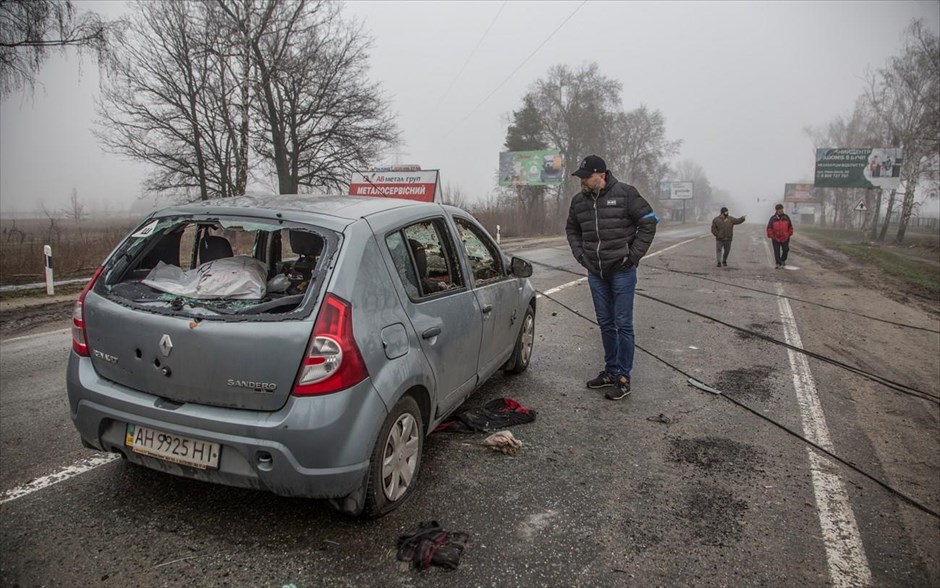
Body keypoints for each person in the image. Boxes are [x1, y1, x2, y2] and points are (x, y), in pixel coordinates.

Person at [565, 155, 658, 400]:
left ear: (602, 175)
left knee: (622, 323)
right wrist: (580, 255)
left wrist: (633, 255)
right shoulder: (579, 202)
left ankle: (624, 377)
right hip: (596, 271)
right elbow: (572, 229)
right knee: (605, 323)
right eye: (580, 177)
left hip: (622, 270)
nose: (582, 181)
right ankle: (610, 370)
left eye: (586, 177)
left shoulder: (626, 194)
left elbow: (649, 222)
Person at [766, 204, 794, 268]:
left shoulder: (786, 217)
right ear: (776, 210)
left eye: (781, 209)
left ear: (782, 209)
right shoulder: (773, 218)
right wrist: (772, 235)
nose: (780, 211)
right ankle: (778, 263)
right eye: (778, 209)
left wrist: (789, 233)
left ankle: (782, 260)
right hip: (776, 238)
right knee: (777, 251)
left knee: (786, 249)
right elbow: (769, 228)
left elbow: (790, 226)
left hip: (785, 237)